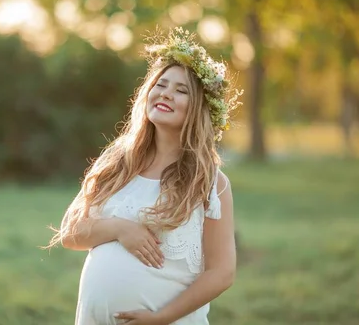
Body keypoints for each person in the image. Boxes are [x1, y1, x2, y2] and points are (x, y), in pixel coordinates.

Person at [47, 27, 243, 325]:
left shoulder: (209, 183)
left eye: (181, 90)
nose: (166, 93)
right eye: (161, 84)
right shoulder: (118, 161)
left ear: (199, 109)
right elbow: (70, 233)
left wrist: (161, 317)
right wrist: (120, 229)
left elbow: (222, 272)